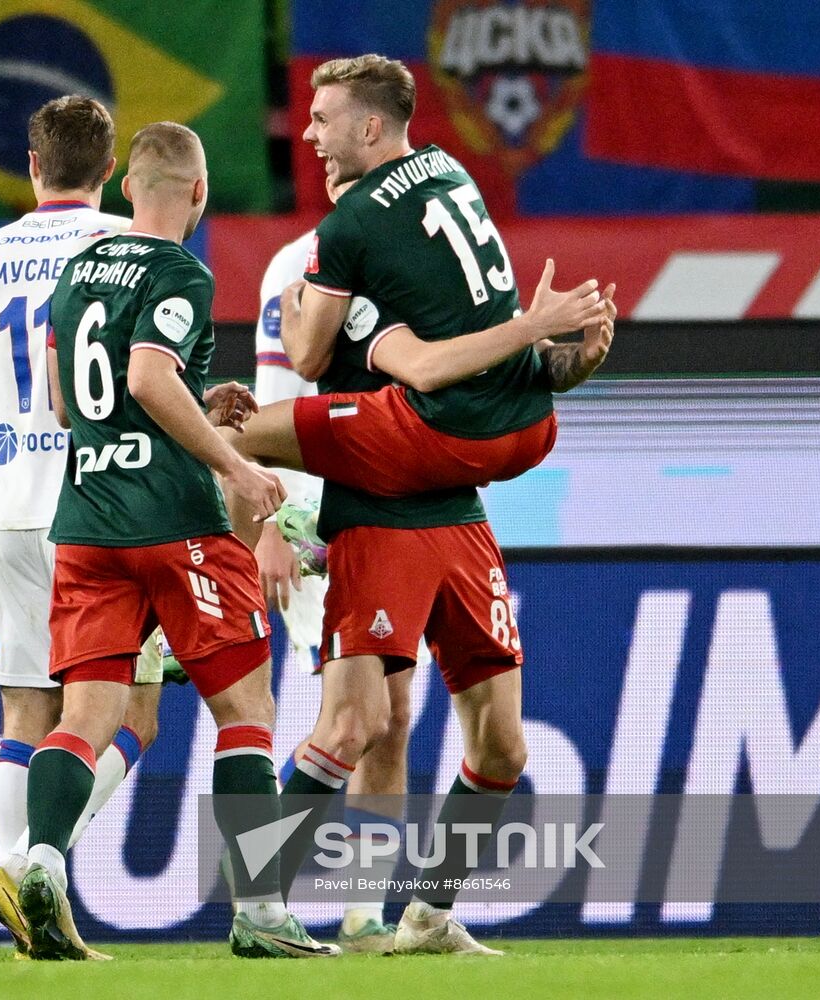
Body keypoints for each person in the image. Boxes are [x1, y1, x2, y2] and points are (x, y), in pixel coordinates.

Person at [252, 54, 615, 956]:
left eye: (325, 117)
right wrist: (543, 349)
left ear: (370, 127)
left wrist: (542, 344)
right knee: (356, 723)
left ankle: (424, 912)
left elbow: (320, 351)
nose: (310, 134)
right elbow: (377, 357)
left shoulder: (352, 236)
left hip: (446, 491)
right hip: (382, 504)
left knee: (501, 749)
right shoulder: (442, 176)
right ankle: (258, 902)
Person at [15, 121, 336, 961]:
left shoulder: (78, 271)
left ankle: (40, 859)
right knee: (246, 708)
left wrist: (202, 400)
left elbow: (62, 400)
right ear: (198, 192)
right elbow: (149, 376)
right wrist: (231, 463)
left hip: (87, 521)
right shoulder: (181, 273)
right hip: (176, 523)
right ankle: (261, 913)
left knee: (86, 716)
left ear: (128, 186)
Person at [0, 94, 162, 956]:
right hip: (110, 510)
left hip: (11, 515)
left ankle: (16, 883)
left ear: (30, 165)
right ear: (109, 173)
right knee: (132, 711)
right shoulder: (130, 250)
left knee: (28, 713)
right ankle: (31, 864)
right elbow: (148, 383)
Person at [252, 175, 418, 954]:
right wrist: (273, 526)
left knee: (392, 720)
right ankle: (262, 893)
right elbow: (272, 402)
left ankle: (361, 913)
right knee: (355, 719)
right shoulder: (296, 266)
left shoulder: (409, 257)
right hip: (320, 526)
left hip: (391, 519)